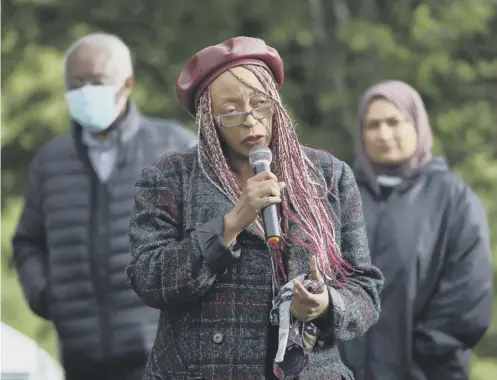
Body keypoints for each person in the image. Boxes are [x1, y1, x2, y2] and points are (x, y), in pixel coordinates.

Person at [126, 36, 384, 380]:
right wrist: (231, 223)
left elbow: (364, 288)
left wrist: (325, 305)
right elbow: (149, 278)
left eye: (260, 103)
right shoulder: (171, 177)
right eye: (231, 112)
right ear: (209, 119)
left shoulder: (328, 175)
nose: (250, 120)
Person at [12, 33, 197, 380]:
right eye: (75, 83)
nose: (84, 91)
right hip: (81, 354)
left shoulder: (174, 149)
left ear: (126, 84)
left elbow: (207, 236)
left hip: (162, 351)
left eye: (96, 81)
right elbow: (27, 243)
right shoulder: (50, 162)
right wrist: (48, 297)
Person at [339, 80, 493, 380]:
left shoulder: (453, 199)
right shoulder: (339, 193)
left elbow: (467, 293)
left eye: (395, 122)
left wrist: (428, 355)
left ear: (417, 124)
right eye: (373, 125)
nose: (384, 134)